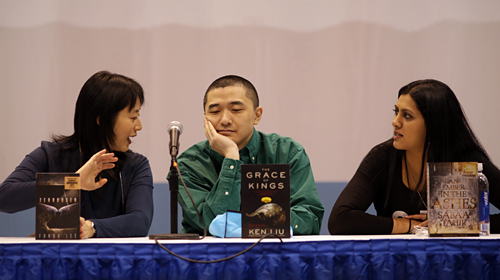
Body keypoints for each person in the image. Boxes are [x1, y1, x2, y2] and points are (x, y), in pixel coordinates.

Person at [329, 79, 500, 234]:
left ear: (434, 124)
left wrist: (455, 224)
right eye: (396, 112)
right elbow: (340, 219)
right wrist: (411, 226)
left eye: (407, 115)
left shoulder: (466, 160)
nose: (395, 122)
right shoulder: (382, 158)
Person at [0, 71, 154, 238]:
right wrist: (72, 182)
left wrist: (91, 228)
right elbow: (5, 198)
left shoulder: (136, 165)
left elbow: (140, 222)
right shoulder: (50, 154)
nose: (139, 126)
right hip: (59, 260)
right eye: (133, 117)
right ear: (101, 119)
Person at [172, 75, 324, 235]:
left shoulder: (287, 153)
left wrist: (249, 218)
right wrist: (231, 157)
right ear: (205, 118)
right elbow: (212, 226)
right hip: (210, 257)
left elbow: (309, 222)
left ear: (257, 115)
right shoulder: (188, 164)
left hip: (275, 254)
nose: (224, 120)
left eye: (236, 110)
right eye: (215, 111)